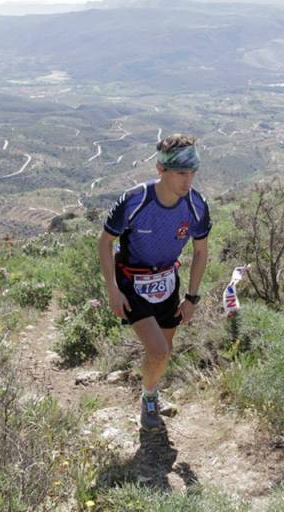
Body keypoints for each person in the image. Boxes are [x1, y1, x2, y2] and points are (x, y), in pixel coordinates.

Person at [97, 134, 211, 432]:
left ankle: (150, 390)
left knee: (164, 351)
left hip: (167, 282)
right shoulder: (135, 200)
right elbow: (105, 242)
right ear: (162, 169)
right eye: (181, 173)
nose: (188, 181)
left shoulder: (196, 205)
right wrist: (112, 289)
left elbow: (201, 251)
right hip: (132, 281)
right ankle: (149, 400)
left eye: (192, 172)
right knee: (159, 350)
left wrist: (192, 298)